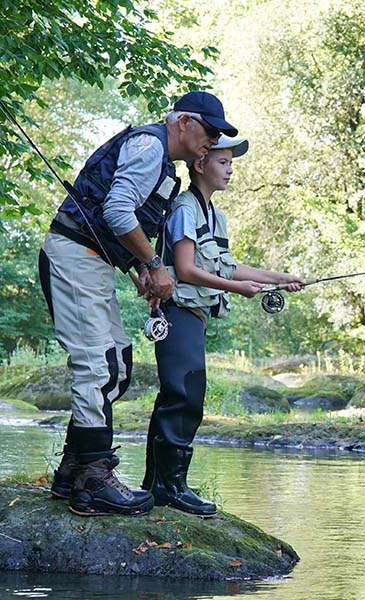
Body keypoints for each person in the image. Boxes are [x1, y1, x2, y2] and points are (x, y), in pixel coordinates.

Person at [38, 91, 238, 517]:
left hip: (94, 261)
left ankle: (72, 470)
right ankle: (93, 477)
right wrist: (152, 262)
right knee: (99, 364)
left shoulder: (162, 160)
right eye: (209, 131)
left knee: (120, 364)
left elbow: (119, 222)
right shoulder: (150, 146)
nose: (213, 140)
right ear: (183, 122)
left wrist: (142, 270)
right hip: (74, 256)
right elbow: (117, 211)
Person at [141, 136, 304, 516]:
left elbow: (228, 266)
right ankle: (169, 486)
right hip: (177, 311)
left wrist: (280, 278)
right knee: (184, 394)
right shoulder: (184, 209)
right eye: (223, 162)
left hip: (194, 316)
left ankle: (161, 484)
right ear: (201, 165)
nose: (230, 170)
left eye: (231, 164)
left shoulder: (215, 215)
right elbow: (184, 269)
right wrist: (238, 289)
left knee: (179, 394)